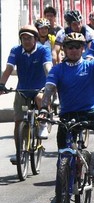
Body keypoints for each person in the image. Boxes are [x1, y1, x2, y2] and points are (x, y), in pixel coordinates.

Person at [42, 32, 94, 203]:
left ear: (83, 49)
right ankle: (59, 195)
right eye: (70, 46)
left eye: (78, 46)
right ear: (64, 49)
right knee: (63, 156)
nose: (74, 50)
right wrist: (42, 109)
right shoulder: (57, 69)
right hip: (68, 115)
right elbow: (49, 89)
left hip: (91, 111)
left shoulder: (90, 65)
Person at [0, 25, 52, 164]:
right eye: (23, 38)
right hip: (22, 90)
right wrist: (1, 85)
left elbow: (48, 67)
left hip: (39, 88)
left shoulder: (43, 50)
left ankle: (42, 124)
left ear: (35, 39)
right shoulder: (15, 51)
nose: (26, 41)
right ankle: (19, 153)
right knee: (18, 123)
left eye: (29, 38)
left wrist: (51, 83)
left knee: (40, 98)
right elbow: (9, 69)